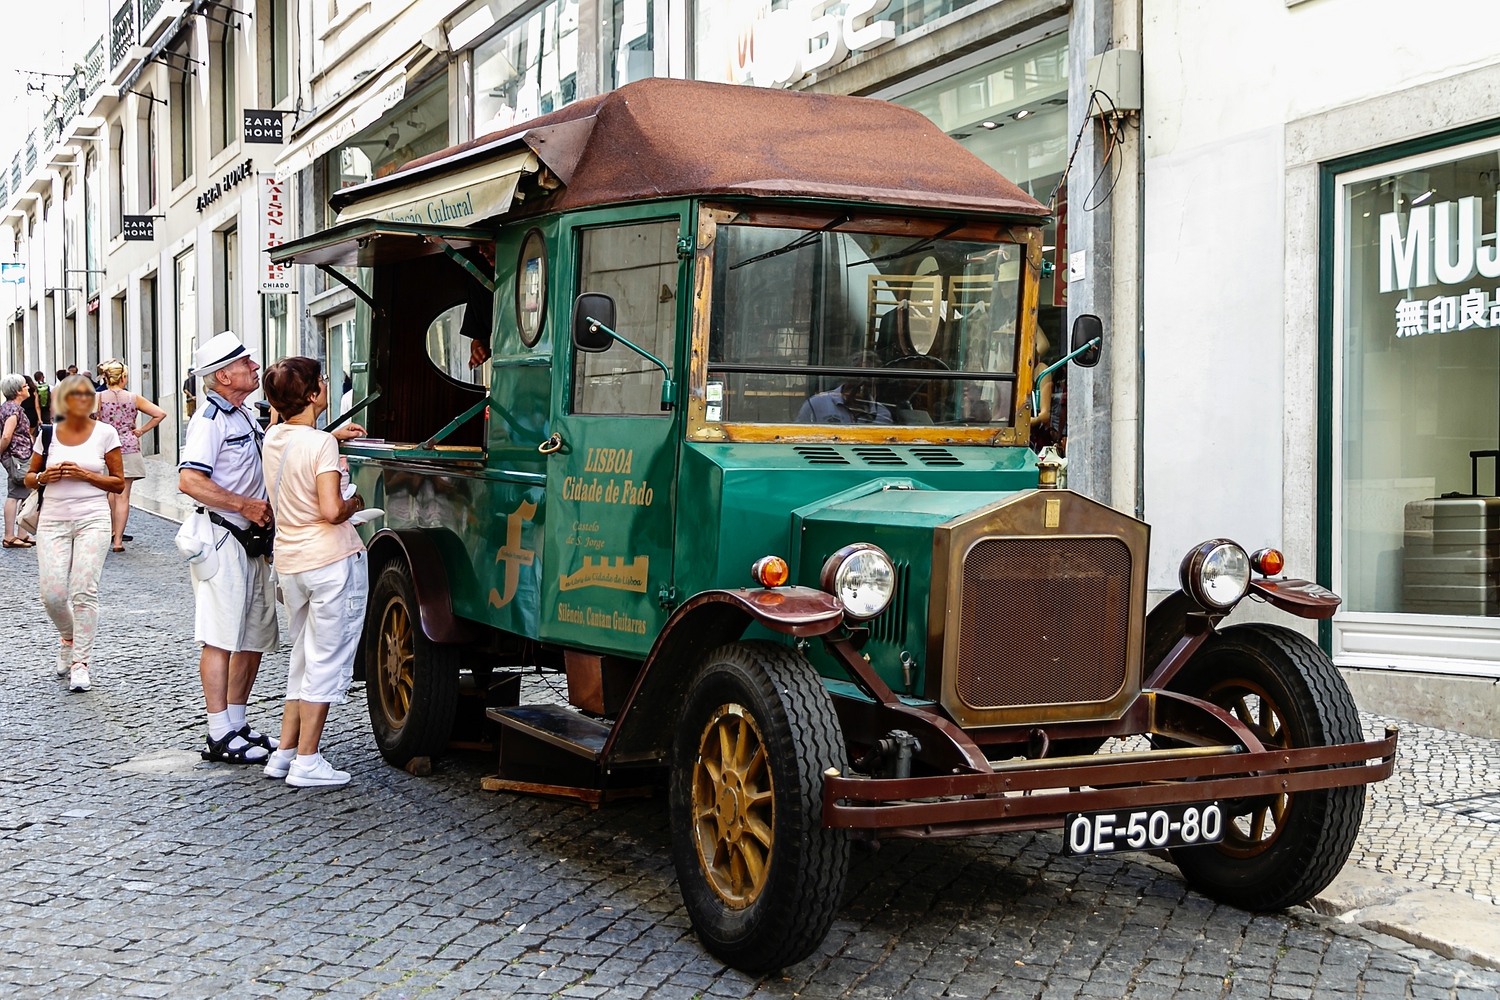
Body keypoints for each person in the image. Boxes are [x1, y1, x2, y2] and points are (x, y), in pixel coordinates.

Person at [259, 357, 369, 788]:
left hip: (290, 563)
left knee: (303, 658)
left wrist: (329, 437)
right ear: (311, 395)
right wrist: (355, 502)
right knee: (324, 659)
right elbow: (330, 510)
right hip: (327, 560)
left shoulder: (273, 437)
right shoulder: (320, 445)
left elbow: (297, 446)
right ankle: (307, 760)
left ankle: (284, 753)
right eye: (320, 381)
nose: (324, 385)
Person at [177, 332, 280, 763]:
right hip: (222, 537)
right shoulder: (209, 421)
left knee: (253, 634)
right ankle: (218, 733)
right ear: (224, 375)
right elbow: (189, 481)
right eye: (247, 364)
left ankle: (236, 724)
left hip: (251, 539)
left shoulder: (243, 415)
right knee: (220, 637)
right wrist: (244, 505)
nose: (255, 368)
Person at [23, 374, 125, 691]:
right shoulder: (48, 435)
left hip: (93, 518)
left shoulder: (106, 434)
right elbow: (28, 477)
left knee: (84, 590)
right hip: (52, 519)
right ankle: (68, 635)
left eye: (86, 394)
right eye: (74, 394)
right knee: (52, 595)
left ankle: (81, 662)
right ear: (63, 400)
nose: (81, 399)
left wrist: (84, 475)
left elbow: (118, 482)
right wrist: (43, 477)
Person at [95, 360, 166, 552]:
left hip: (104, 448)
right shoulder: (133, 398)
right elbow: (160, 413)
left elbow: (86, 417)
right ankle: (118, 541)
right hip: (128, 446)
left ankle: (109, 530)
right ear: (123, 377)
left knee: (108, 491)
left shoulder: (99, 397)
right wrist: (141, 430)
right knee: (123, 496)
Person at [1, 373, 37, 548]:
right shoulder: (13, 410)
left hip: (18, 456)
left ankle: (21, 534)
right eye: (24, 386)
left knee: (23, 492)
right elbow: (7, 436)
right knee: (16, 493)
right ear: (17, 391)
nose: (28, 387)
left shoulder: (9, 407)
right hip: (17, 457)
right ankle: (9, 536)